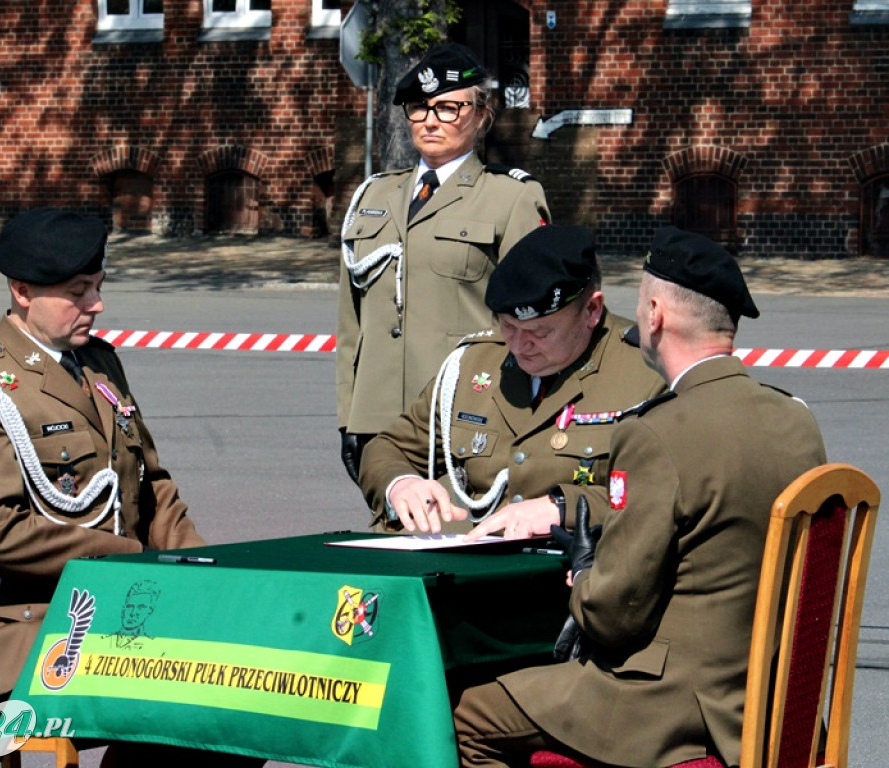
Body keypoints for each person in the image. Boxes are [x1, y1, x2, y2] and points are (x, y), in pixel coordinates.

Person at [452, 226, 828, 767]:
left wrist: (583, 575)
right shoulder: (795, 418)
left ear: (653, 315)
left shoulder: (657, 433)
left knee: (469, 715)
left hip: (672, 704)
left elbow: (612, 615)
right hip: (776, 698)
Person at [0, 207, 205, 708]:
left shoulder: (99, 363)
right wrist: (130, 559)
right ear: (22, 291)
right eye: (78, 291)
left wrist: (202, 569)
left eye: (99, 286)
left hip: (122, 615)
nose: (97, 304)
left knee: (244, 700)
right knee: (199, 707)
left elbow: (153, 487)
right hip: (36, 634)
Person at [357, 224, 666, 533]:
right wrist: (400, 484)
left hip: (577, 570)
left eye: (539, 332)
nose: (518, 346)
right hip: (469, 562)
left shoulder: (649, 372)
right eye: (508, 326)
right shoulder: (474, 363)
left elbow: (673, 491)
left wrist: (563, 508)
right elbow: (389, 447)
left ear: (591, 311)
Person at [337, 41, 551, 484]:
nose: (432, 120)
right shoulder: (372, 196)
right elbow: (351, 326)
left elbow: (534, 318)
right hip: (379, 422)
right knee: (385, 544)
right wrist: (349, 417)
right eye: (420, 108)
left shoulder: (511, 198)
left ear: (479, 115)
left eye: (449, 108)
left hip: (466, 417)